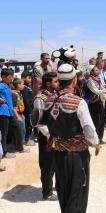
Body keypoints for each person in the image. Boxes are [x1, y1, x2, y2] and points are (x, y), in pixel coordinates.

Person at [33, 63, 102, 213]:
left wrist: (52, 136)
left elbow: (37, 122)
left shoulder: (47, 100)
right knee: (77, 192)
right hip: (78, 155)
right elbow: (89, 129)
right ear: (74, 80)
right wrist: (96, 143)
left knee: (63, 190)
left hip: (58, 154)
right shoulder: (78, 102)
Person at [31, 72, 59, 201]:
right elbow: (38, 122)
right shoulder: (40, 99)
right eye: (55, 81)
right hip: (46, 136)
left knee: (55, 163)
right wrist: (50, 136)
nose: (58, 83)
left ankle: (54, 186)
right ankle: (47, 193)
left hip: (55, 135)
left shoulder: (53, 95)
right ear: (48, 83)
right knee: (47, 164)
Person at [87, 65, 106, 144]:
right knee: (95, 122)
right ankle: (94, 140)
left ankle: (100, 139)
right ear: (90, 71)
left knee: (101, 121)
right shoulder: (90, 81)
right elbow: (97, 92)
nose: (96, 71)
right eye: (94, 70)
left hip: (99, 102)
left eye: (97, 70)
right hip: (93, 103)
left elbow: (101, 87)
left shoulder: (98, 79)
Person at [10, 78, 29, 153]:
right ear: (18, 85)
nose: (23, 85)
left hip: (21, 113)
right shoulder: (15, 94)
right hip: (18, 114)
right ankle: (19, 146)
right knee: (20, 131)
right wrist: (17, 116)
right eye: (22, 84)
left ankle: (21, 145)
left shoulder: (19, 92)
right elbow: (14, 107)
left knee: (22, 130)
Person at [0, 69, 16, 158]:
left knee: (7, 131)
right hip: (3, 112)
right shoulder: (1, 85)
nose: (11, 78)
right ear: (3, 77)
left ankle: (6, 148)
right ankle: (4, 152)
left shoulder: (7, 85)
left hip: (9, 112)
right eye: (10, 77)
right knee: (4, 132)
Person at [21, 70, 35, 146]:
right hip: (27, 110)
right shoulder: (24, 88)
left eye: (31, 78)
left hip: (30, 108)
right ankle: (27, 139)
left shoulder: (28, 87)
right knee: (28, 125)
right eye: (29, 78)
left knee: (30, 124)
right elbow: (26, 101)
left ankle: (28, 138)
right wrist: (30, 111)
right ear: (23, 78)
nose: (30, 80)